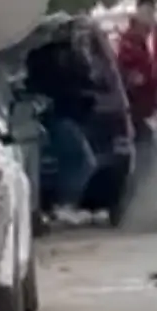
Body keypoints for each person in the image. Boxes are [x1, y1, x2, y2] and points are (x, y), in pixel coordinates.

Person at [25, 36, 99, 220]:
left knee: (73, 162)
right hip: (58, 117)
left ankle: (58, 205)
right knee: (83, 161)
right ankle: (63, 204)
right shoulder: (55, 60)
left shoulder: (47, 58)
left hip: (58, 117)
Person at [117, 0, 157, 166]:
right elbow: (125, 64)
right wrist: (137, 76)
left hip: (154, 96)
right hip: (137, 100)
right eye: (144, 11)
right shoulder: (129, 37)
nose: (147, 15)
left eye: (150, 11)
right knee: (142, 140)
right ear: (138, 12)